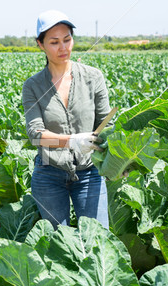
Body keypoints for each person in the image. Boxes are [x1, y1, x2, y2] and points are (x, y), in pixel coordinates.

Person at [22, 10, 112, 229]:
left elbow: (107, 125)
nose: (63, 48)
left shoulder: (93, 77)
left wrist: (116, 159)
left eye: (67, 39)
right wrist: (71, 141)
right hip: (48, 174)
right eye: (54, 42)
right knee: (57, 245)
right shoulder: (33, 86)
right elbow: (35, 135)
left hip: (90, 172)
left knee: (97, 241)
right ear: (40, 45)